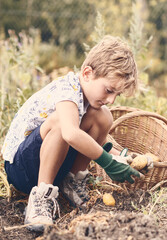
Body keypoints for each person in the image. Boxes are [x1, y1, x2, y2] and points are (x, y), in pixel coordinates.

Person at [1, 35, 142, 232]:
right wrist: (107, 162)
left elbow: (85, 138)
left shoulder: (89, 100)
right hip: (22, 168)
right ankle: (41, 197)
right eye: (109, 90)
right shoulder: (66, 90)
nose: (111, 99)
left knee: (103, 117)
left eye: (116, 94)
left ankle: (72, 182)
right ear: (87, 73)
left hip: (54, 161)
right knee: (61, 122)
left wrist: (119, 157)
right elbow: (70, 134)